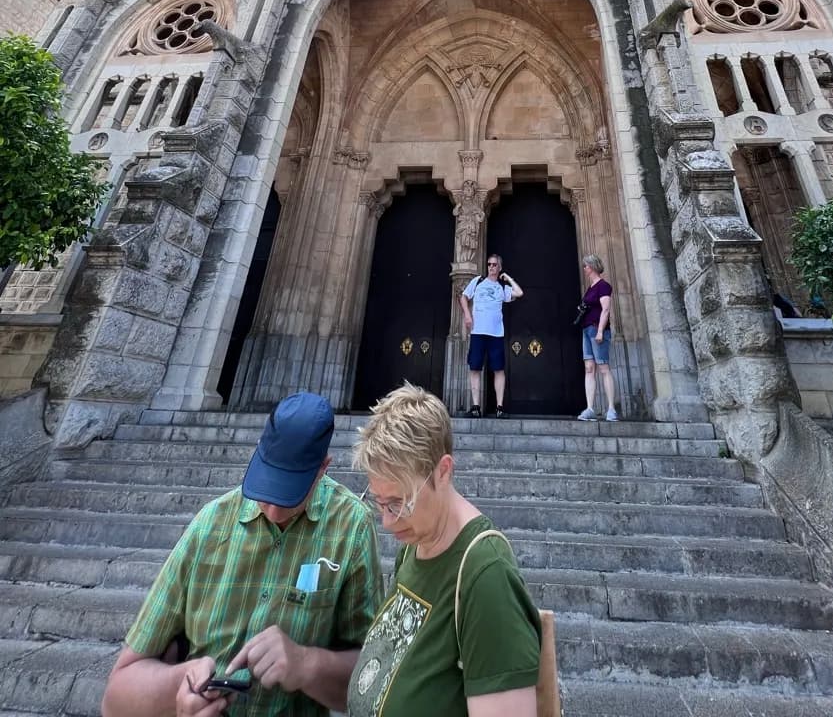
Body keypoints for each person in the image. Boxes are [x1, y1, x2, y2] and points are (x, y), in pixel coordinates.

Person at [101, 391, 383, 717]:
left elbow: (371, 678)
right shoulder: (210, 524)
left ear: (322, 469)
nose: (275, 510)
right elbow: (115, 699)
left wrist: (307, 664)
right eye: (267, 488)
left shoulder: (351, 527)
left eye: (290, 493)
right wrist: (180, 686)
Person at [347, 383, 541, 717]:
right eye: (379, 503)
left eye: (399, 503)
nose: (388, 523)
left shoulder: (485, 575)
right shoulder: (416, 542)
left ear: (444, 471)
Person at [459, 254, 523, 418]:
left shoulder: (502, 287)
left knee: (498, 369)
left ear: (499, 267)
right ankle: (475, 406)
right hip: (478, 332)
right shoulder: (478, 281)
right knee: (474, 368)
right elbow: (463, 297)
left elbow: (519, 292)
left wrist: (508, 278)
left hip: (496, 334)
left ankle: (499, 407)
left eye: (495, 265)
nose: (491, 267)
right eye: (489, 264)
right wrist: (467, 315)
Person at [577, 254, 618, 422]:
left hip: (596, 329)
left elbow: (605, 310)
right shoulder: (591, 288)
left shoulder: (603, 286)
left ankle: (611, 409)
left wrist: (601, 331)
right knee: (589, 368)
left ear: (592, 266)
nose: (584, 269)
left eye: (586, 266)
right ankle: (590, 408)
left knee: (603, 367)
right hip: (586, 330)